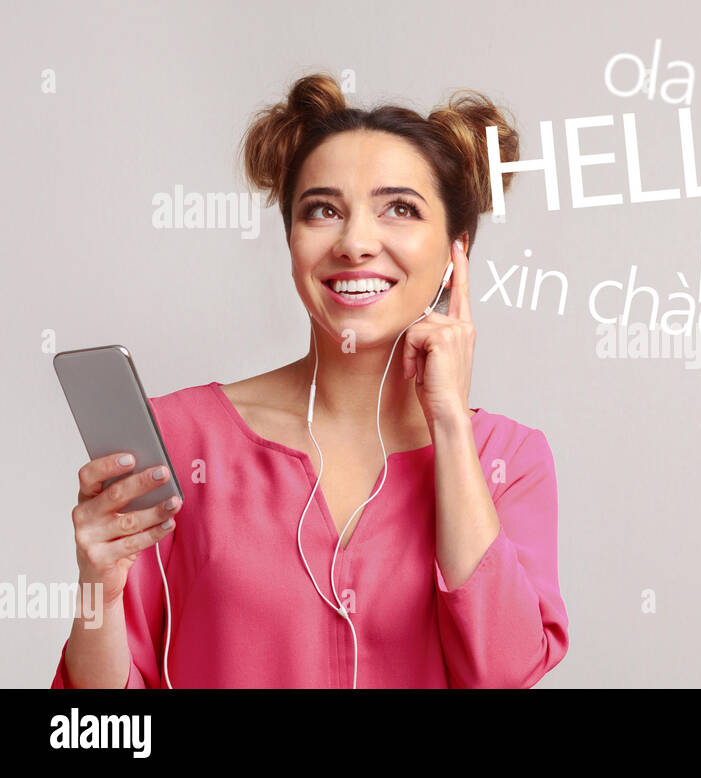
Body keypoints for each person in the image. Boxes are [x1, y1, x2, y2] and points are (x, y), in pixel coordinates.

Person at [51, 72, 568, 688]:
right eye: (323, 210)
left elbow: (504, 672)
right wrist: (100, 592)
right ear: (292, 242)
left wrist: (451, 425)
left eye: (400, 208)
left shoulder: (508, 460)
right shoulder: (178, 440)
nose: (355, 243)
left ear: (456, 253)